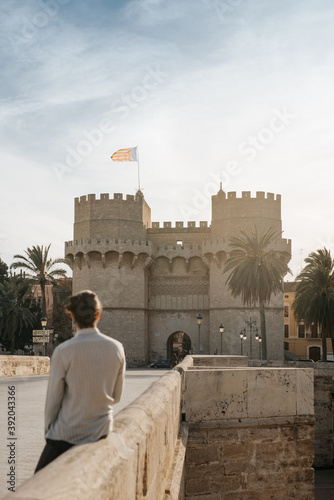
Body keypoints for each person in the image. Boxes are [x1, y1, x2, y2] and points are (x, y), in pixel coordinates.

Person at [35, 290, 125, 473]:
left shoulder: (63, 351)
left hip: (66, 435)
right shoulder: (117, 348)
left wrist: (49, 433)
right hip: (100, 432)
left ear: (72, 315)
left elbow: (53, 401)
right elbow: (116, 397)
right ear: (98, 315)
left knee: (38, 483)